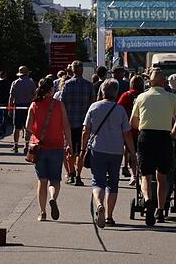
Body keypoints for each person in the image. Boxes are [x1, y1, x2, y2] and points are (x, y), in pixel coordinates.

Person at [80, 79, 137, 228]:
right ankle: (110, 216)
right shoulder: (120, 110)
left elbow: (85, 130)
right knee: (113, 183)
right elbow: (127, 134)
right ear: (116, 93)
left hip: (97, 149)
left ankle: (99, 204)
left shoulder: (94, 107)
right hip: (116, 151)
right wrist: (132, 153)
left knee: (98, 181)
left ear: (102, 91)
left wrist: (82, 149)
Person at [130, 70, 176, 226]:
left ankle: (147, 200)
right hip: (164, 137)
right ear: (163, 82)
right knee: (162, 176)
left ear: (150, 82)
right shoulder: (172, 98)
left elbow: (132, 122)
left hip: (146, 136)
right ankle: (160, 209)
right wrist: (172, 133)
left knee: (145, 174)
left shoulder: (141, 97)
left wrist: (142, 128)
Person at [24, 77, 71, 221]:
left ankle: (42, 212)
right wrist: (69, 144)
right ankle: (53, 198)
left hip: (39, 148)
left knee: (42, 181)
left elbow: (27, 126)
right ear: (52, 90)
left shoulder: (34, 105)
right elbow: (66, 126)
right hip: (56, 147)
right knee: (55, 181)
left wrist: (37, 133)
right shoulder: (59, 105)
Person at [60, 60, 95, 185]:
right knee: (81, 150)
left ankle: (71, 174)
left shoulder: (67, 85)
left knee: (69, 149)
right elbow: (92, 104)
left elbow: (61, 103)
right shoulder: (88, 85)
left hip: (69, 124)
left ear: (73, 70)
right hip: (83, 124)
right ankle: (79, 176)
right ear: (82, 70)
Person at [117, 74, 144, 182]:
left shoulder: (126, 95)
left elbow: (119, 109)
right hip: (142, 128)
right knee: (142, 153)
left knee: (131, 152)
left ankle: (134, 175)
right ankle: (142, 173)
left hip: (128, 128)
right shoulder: (144, 95)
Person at [8, 66, 37, 154]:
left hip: (18, 106)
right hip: (28, 106)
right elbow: (35, 95)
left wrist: (10, 108)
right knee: (28, 127)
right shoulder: (32, 83)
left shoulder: (15, 83)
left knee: (16, 127)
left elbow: (11, 97)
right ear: (27, 73)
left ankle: (16, 145)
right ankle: (26, 146)